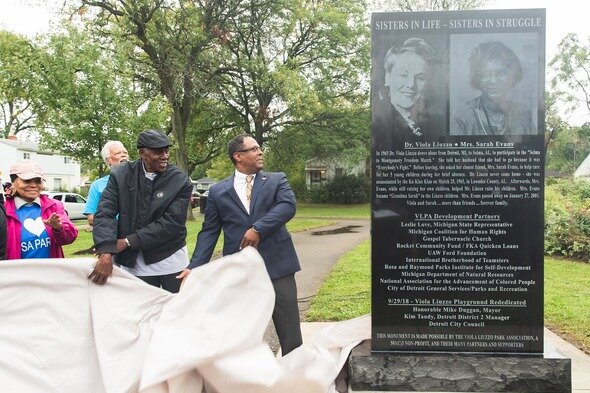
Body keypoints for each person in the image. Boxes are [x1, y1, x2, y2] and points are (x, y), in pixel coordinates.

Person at [177, 134, 303, 356]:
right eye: (254, 149)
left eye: (259, 148)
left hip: (278, 265)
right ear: (238, 156)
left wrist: (258, 229)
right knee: (241, 331)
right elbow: (209, 232)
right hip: (240, 270)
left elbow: (287, 206)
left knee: (290, 331)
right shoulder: (217, 191)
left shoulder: (276, 180)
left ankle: (297, 376)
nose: (260, 151)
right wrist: (194, 267)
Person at [89, 129, 193, 293]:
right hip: (134, 262)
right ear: (142, 153)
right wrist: (106, 250)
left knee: (177, 310)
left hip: (169, 257)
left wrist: (129, 241)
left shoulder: (180, 180)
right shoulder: (120, 175)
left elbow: (172, 223)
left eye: (166, 151)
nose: (165, 156)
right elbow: (105, 213)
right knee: (141, 311)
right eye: (158, 152)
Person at [450, 40, 536, 135]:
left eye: (500, 73)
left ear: (513, 76)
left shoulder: (523, 113)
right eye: (485, 74)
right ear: (477, 77)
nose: (493, 81)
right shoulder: (462, 115)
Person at [373, 37, 444, 147]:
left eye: (420, 78)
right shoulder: (380, 122)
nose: (411, 84)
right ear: (388, 76)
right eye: (403, 75)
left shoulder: (432, 122)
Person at [3, 160, 78, 260]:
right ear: (13, 182)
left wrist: (58, 228)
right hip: (17, 274)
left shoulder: (54, 206)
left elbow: (69, 238)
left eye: (38, 180)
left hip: (50, 273)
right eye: (27, 181)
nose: (34, 185)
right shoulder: (4, 211)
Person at [83, 141, 129, 226]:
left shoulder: (139, 180)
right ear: (108, 160)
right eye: (118, 153)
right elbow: (91, 218)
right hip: (110, 235)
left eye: (125, 152)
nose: (123, 155)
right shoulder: (97, 185)